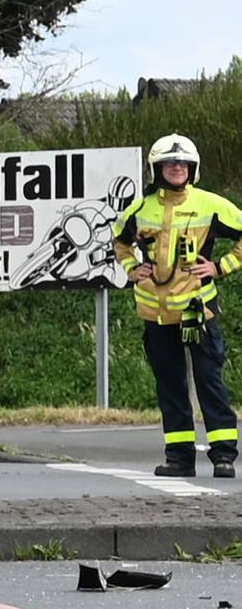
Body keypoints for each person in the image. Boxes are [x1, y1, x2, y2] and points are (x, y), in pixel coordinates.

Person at [113, 134, 242, 478]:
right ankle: (179, 459)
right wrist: (131, 270)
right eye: (170, 163)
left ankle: (224, 456)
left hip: (196, 310)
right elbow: (120, 242)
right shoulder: (140, 209)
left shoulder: (211, 204)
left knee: (208, 381)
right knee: (170, 385)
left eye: (183, 163)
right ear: (157, 169)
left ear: (193, 169)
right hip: (156, 313)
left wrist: (220, 266)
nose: (177, 168)